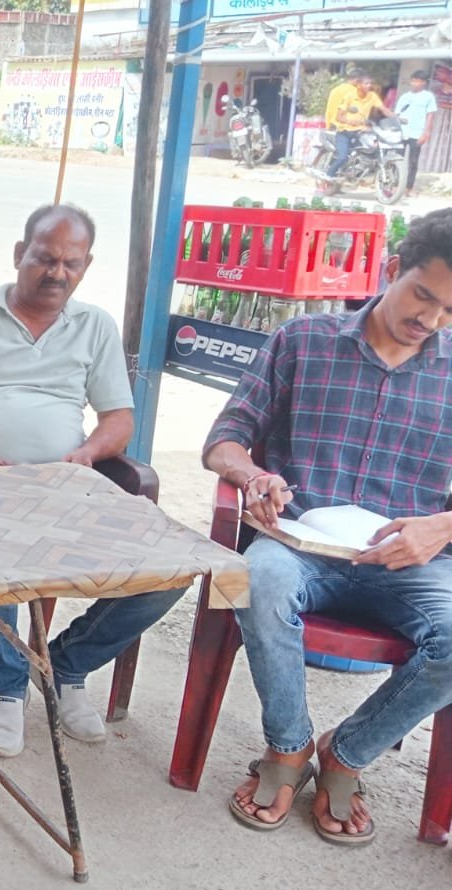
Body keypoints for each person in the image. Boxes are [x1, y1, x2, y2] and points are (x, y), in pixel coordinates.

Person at [205, 208, 452, 845]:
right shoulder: (303, 339)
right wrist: (253, 475)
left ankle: (345, 753)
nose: (430, 320)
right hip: (300, 544)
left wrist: (442, 527)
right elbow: (225, 440)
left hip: (408, 560)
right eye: (423, 295)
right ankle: (287, 749)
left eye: (450, 310)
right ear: (392, 269)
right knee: (257, 579)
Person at [0, 204, 185, 757]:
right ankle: (7, 686)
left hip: (66, 488)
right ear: (19, 255)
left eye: (71, 262)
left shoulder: (95, 326)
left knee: (172, 571)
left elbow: (119, 419)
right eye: (44, 258)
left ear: (85, 266)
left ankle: (62, 665)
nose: (56, 272)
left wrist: (85, 455)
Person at [323, 68, 386, 180]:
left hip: (333, 124)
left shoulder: (335, 89)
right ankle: (333, 175)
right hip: (348, 127)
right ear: (357, 81)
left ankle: (340, 176)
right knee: (357, 151)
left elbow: (329, 109)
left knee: (346, 154)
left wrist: (328, 125)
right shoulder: (353, 92)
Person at [395, 70, 436, 197]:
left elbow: (430, 116)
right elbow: (397, 114)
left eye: (418, 81)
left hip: (417, 133)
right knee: (396, 160)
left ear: (424, 83)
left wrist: (426, 132)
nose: (414, 83)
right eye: (413, 80)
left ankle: (408, 188)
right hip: (401, 133)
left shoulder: (428, 97)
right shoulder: (404, 96)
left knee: (413, 161)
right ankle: (395, 186)